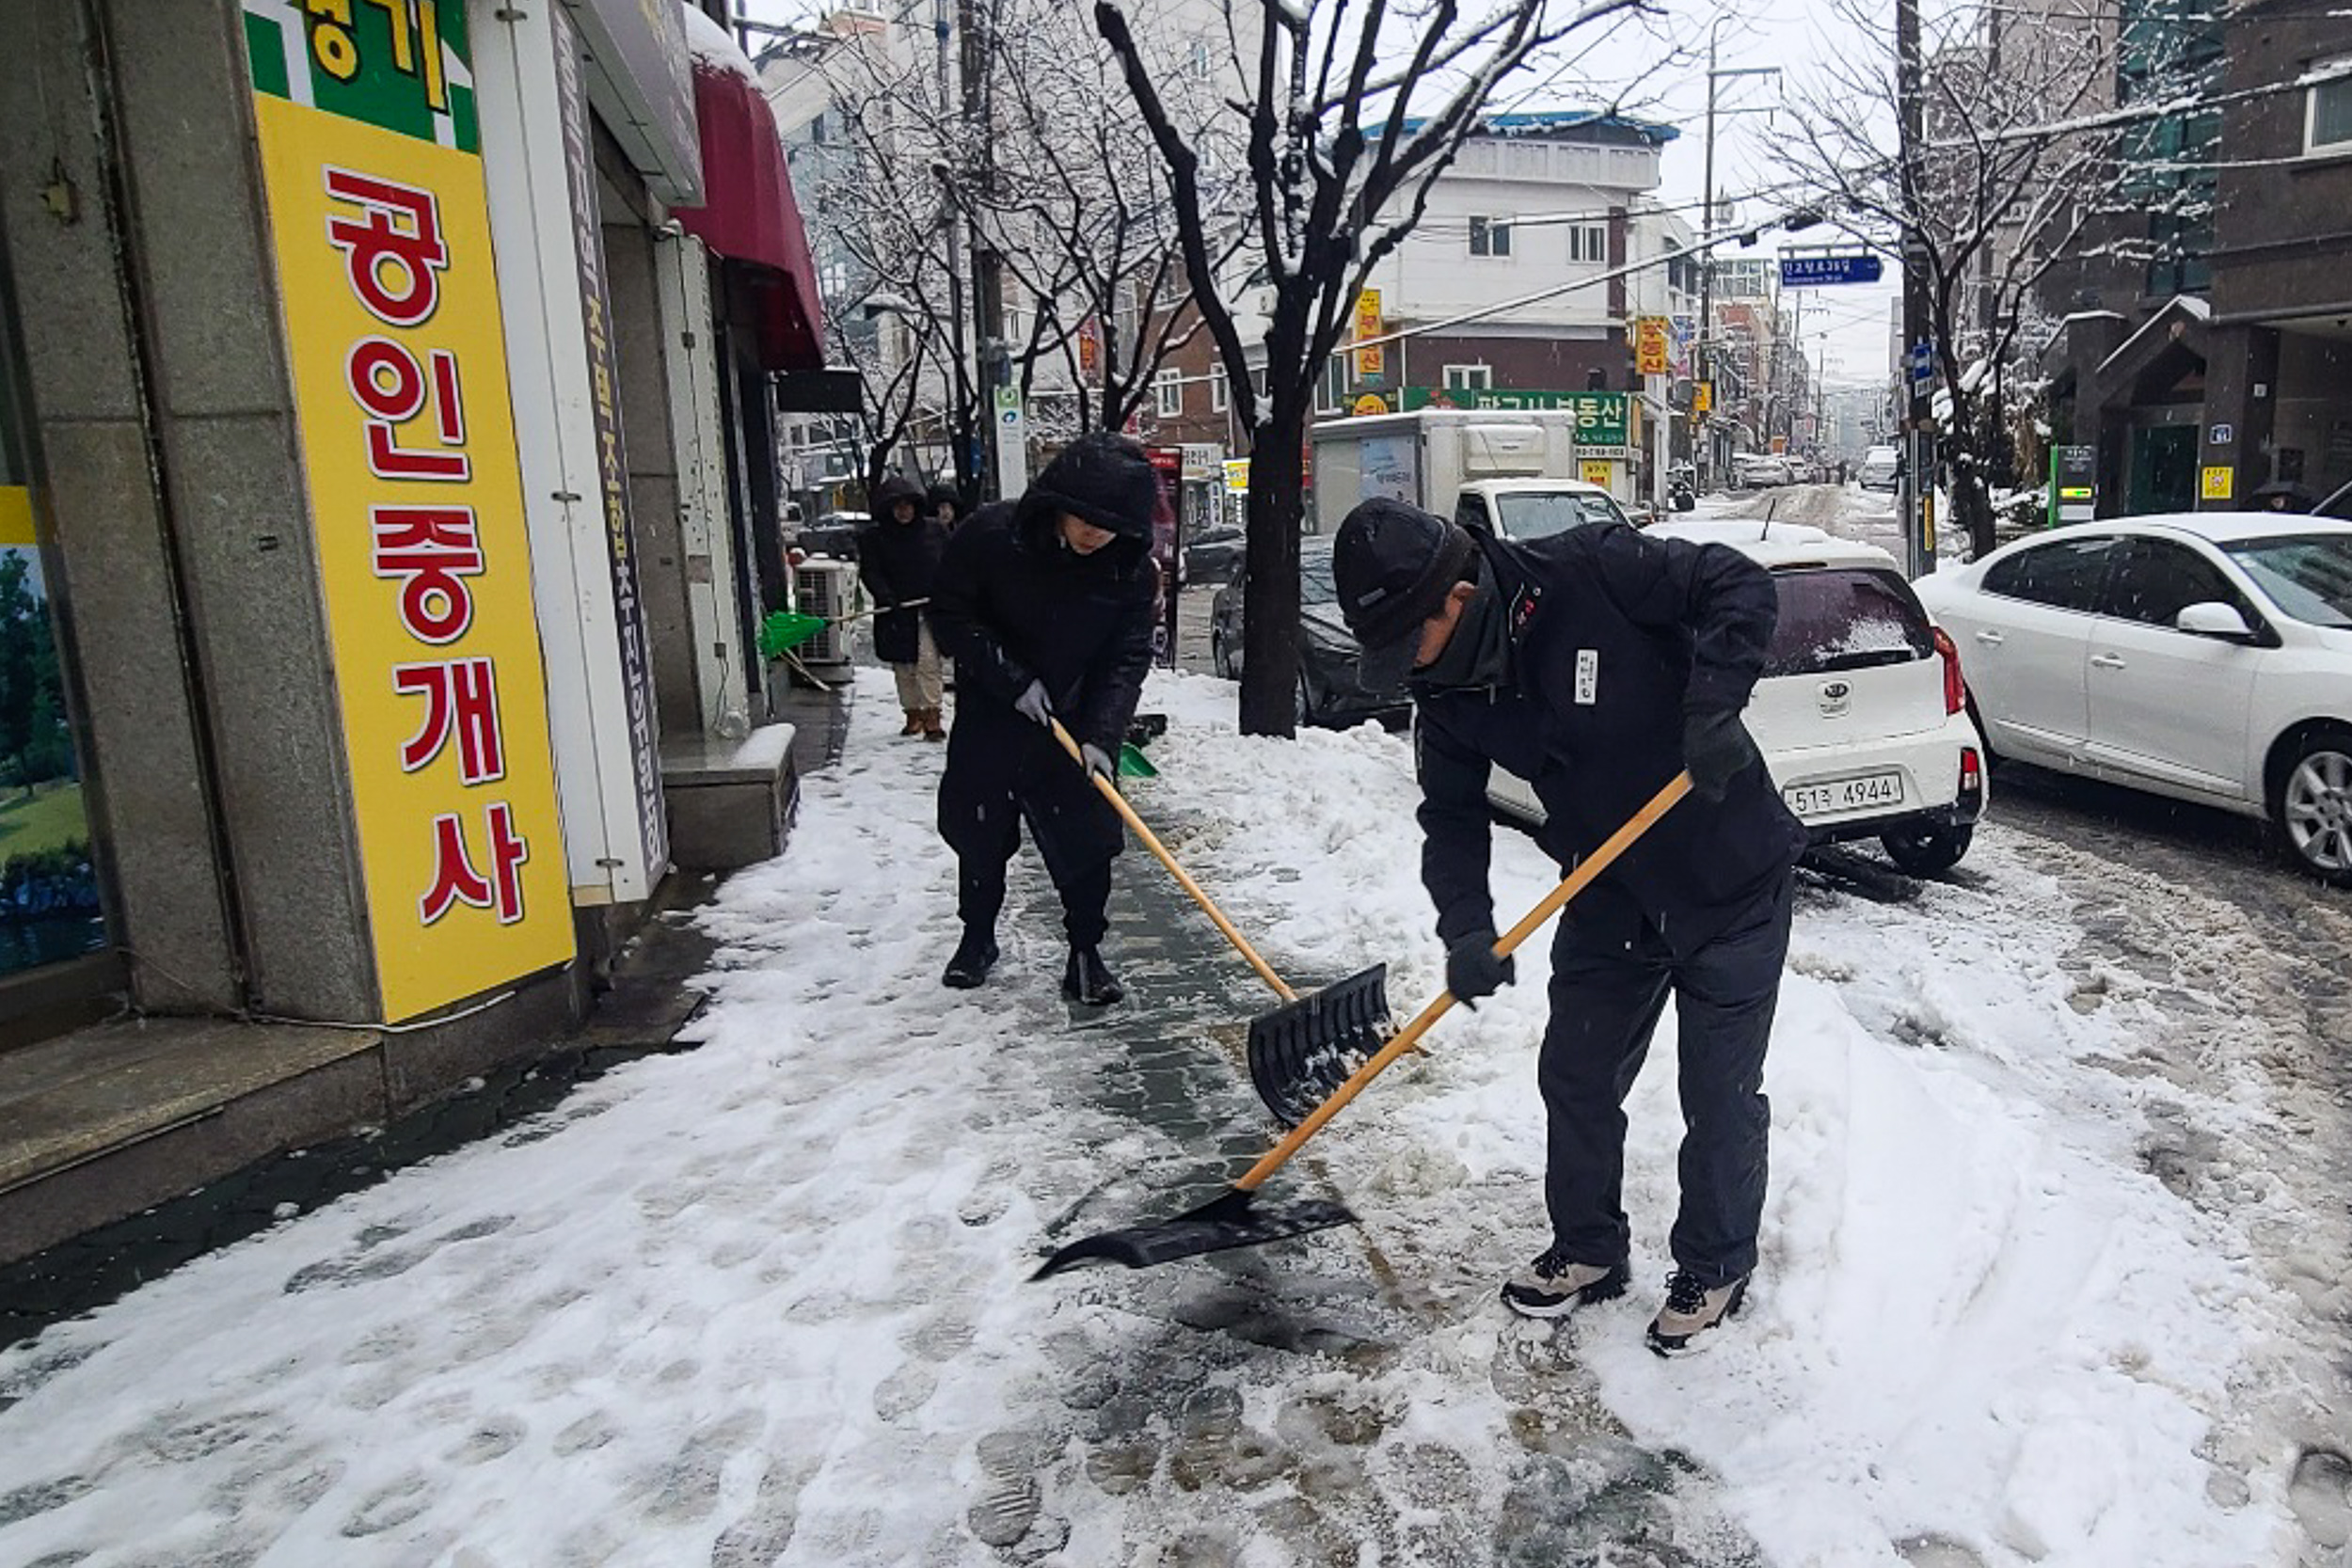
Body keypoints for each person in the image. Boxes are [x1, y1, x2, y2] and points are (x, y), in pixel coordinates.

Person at [1331, 497, 1806, 1356]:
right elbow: (1452, 816)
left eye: (1412, 637)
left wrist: (1713, 705)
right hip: (1610, 886)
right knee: (1577, 1075)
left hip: (1728, 877)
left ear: (1456, 594)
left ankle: (1715, 1261)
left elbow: (1737, 586)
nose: (1410, 665)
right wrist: (1466, 930)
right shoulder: (1443, 694)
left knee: (1718, 1092)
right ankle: (1589, 1247)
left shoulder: (1590, 571)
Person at [930, 433, 1160, 1006]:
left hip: (1075, 721)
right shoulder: (991, 537)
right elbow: (950, 612)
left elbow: (1126, 659)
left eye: (1110, 527)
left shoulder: (1130, 572)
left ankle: (1086, 954)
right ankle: (977, 938)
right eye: (1085, 519)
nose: (1095, 535)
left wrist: (1103, 736)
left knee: (1088, 842)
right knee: (980, 834)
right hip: (994, 717)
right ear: (1059, 502)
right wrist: (1009, 678)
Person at [858, 475, 950, 740]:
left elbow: (951, 562)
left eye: (908, 505)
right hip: (896, 609)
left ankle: (932, 714)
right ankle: (912, 713)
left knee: (929, 661)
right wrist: (886, 596)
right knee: (904, 664)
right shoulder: (875, 537)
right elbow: (871, 571)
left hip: (930, 608)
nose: (903, 511)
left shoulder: (934, 532)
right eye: (897, 506)